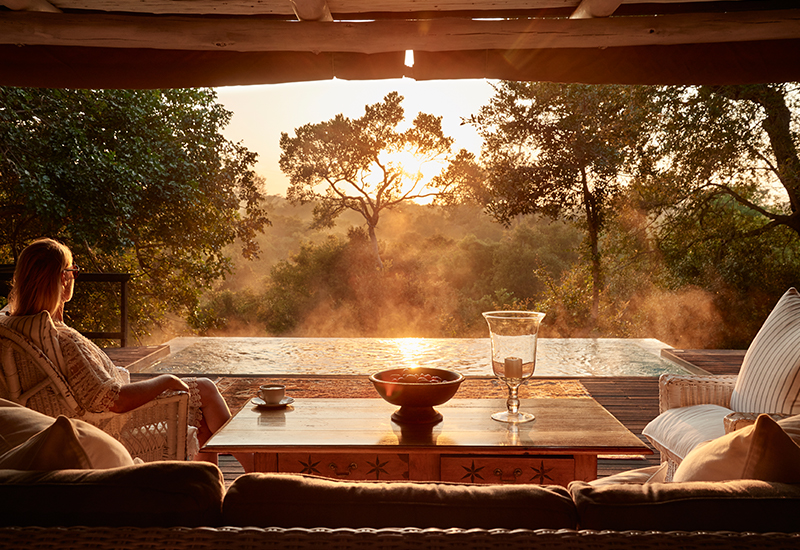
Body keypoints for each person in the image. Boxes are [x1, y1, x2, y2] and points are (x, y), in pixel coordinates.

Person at [5, 238, 253, 472]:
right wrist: (163, 380)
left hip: (64, 426)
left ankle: (214, 490)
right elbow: (114, 399)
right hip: (106, 427)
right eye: (73, 271)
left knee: (201, 423)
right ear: (64, 278)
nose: (74, 277)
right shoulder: (63, 339)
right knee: (207, 390)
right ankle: (259, 467)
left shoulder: (14, 329)